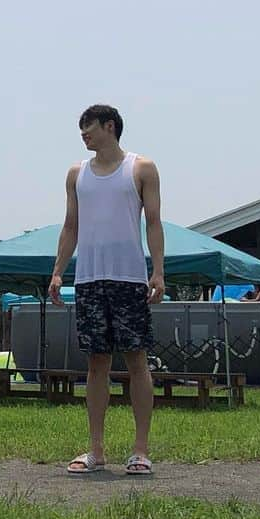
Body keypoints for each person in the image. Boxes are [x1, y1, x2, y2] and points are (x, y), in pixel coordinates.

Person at [49, 104, 163, 476]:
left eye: (89, 128)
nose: (84, 134)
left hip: (129, 279)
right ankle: (96, 451)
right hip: (89, 280)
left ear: (109, 127)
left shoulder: (141, 168)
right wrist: (57, 272)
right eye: (81, 129)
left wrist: (158, 272)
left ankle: (140, 450)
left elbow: (154, 223)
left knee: (136, 360)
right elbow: (70, 226)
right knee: (96, 363)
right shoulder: (76, 174)